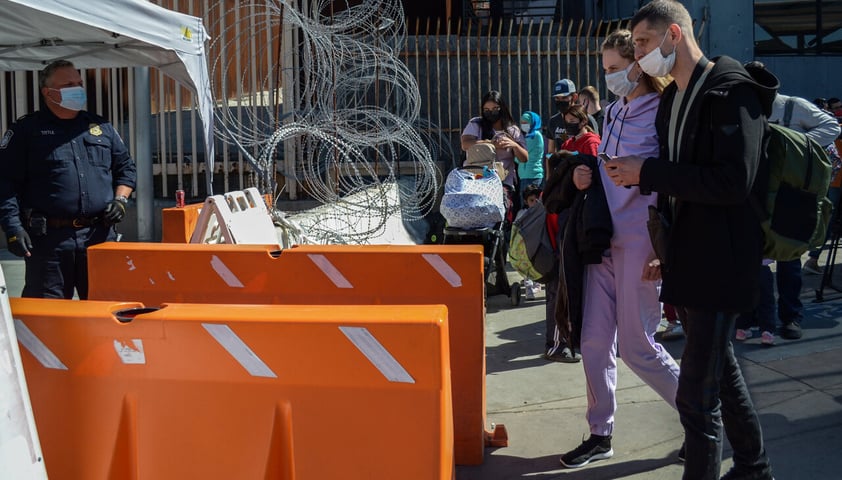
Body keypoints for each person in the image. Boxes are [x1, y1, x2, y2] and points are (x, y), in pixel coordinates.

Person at [605, 1, 777, 478]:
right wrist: (667, 247)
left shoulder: (731, 91)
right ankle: (754, 467)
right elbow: (681, 186)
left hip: (724, 259)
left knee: (696, 396)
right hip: (692, 257)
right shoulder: (675, 98)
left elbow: (732, 182)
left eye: (643, 42)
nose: (637, 54)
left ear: (673, 36)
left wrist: (648, 171)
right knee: (723, 377)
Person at [557, 28, 681, 469]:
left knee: (638, 347)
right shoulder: (611, 113)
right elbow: (606, 170)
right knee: (592, 342)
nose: (609, 77)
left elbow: (674, 183)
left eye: (615, 68)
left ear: (638, 64)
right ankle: (599, 433)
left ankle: (703, 416)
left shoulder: (667, 112)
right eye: (605, 69)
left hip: (641, 245)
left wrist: (662, 250)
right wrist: (580, 177)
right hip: (601, 242)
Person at [0, 60, 137, 300]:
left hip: (98, 238)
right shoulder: (26, 130)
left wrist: (121, 200)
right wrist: (13, 228)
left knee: (105, 311)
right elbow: (5, 182)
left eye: (80, 83)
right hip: (49, 243)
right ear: (48, 92)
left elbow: (126, 168)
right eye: (69, 84)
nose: (78, 89)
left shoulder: (100, 127)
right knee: (48, 319)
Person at [742, 65, 841, 341]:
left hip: (791, 195)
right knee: (753, 259)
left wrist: (800, 145)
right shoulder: (744, 109)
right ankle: (758, 319)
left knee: (790, 259)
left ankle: (790, 317)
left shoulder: (793, 106)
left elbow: (832, 125)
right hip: (758, 193)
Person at [461, 90, 528, 216]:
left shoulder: (512, 130)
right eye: (486, 109)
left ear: (502, 108)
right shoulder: (476, 124)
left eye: (495, 108)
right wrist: (490, 144)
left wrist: (513, 145)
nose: (491, 113)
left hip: (501, 182)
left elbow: (524, 158)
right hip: (475, 179)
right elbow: (465, 144)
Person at [546, 79, 599, 153]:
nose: (560, 101)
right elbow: (550, 152)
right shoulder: (553, 121)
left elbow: (596, 145)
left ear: (574, 97)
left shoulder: (586, 119)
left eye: (564, 98)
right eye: (557, 98)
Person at [516, 184, 543, 300]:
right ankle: (529, 289)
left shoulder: (544, 212)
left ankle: (537, 284)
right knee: (528, 268)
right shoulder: (522, 214)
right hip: (526, 247)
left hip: (541, 246)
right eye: (532, 200)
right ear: (526, 201)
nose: (535, 202)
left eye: (537, 199)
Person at [518, 111, 545, 190]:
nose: (523, 125)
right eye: (522, 123)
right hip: (524, 176)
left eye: (526, 122)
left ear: (532, 123)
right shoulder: (526, 136)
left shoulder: (535, 135)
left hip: (533, 175)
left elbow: (522, 153)